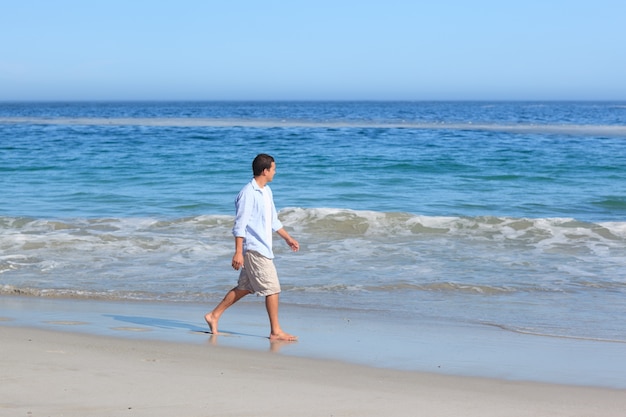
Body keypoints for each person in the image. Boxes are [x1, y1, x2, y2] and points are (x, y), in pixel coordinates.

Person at [205, 154, 299, 342]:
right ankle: (275, 331)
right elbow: (240, 225)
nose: (275, 172)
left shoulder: (266, 191)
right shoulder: (248, 193)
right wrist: (238, 252)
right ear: (265, 171)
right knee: (273, 288)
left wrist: (288, 238)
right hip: (254, 249)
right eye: (273, 168)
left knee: (245, 287)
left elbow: (273, 221)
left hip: (263, 247)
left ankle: (213, 315)